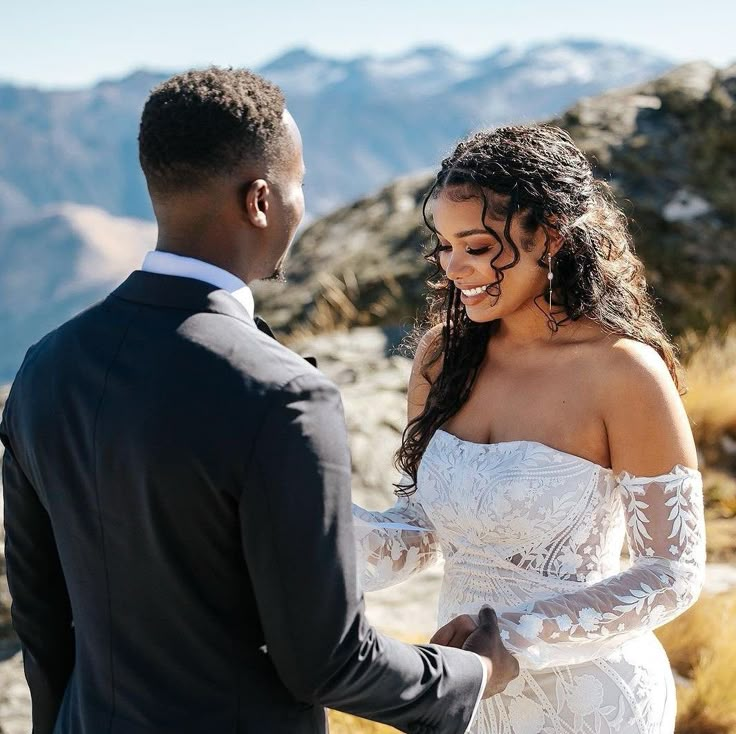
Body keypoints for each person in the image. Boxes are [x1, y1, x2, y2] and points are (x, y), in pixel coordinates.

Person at [0, 68, 520, 734]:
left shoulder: (46, 368)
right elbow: (327, 661)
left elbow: (41, 618)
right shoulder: (284, 397)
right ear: (260, 201)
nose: (305, 205)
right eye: (299, 184)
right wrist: (473, 675)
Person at [353, 125, 706, 734]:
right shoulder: (443, 356)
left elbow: (672, 573)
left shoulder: (624, 371)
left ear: (549, 236)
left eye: (477, 246)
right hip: (466, 690)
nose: (454, 267)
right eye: (443, 246)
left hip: (593, 700)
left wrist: (514, 640)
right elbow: (419, 529)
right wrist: (304, 522)